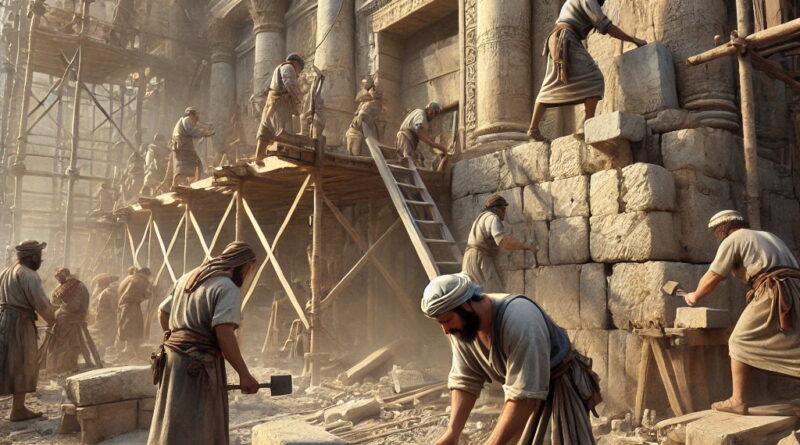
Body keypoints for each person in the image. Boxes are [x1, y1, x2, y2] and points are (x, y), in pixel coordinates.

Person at [420, 273, 599, 445]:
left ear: (466, 306)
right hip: (523, 395)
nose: (445, 329)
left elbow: (525, 398)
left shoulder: (521, 319)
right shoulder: (463, 328)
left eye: (447, 320)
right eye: (440, 323)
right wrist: (452, 433)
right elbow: (466, 380)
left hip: (558, 390)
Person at [685, 210, 800, 415]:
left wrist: (695, 295)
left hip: (773, 290)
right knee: (792, 343)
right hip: (795, 291)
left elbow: (714, 275)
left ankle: (737, 400)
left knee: (738, 341)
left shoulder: (734, 238)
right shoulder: (769, 237)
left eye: (716, 232)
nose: (717, 236)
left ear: (722, 228)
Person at [147, 242, 259, 445]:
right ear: (246, 265)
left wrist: (173, 337)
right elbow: (224, 333)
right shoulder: (227, 287)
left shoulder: (187, 278)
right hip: (197, 366)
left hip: (172, 361)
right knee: (197, 424)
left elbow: (163, 312)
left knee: (172, 422)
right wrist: (244, 374)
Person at [527, 0, 646, 141]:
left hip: (559, 37)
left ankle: (533, 128)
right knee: (594, 79)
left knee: (551, 83)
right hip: (566, 38)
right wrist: (633, 39)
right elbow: (605, 25)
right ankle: (587, 125)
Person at [0, 241, 55, 421]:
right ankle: (18, 409)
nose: (41, 260)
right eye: (39, 256)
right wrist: (53, 320)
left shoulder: (6, 272)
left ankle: (18, 409)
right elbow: (41, 304)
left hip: (4, 321)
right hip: (20, 324)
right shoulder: (28, 274)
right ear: (32, 257)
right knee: (24, 363)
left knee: (6, 363)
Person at [462, 194, 537, 293]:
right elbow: (503, 243)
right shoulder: (493, 218)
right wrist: (527, 247)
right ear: (497, 209)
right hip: (481, 259)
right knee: (494, 293)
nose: (504, 213)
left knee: (474, 294)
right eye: (503, 209)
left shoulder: (480, 218)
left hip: (468, 259)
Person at [254, 54, 305, 161]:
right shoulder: (289, 67)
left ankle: (259, 157)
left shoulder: (279, 68)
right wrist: (300, 99)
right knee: (283, 131)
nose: (299, 73)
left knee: (265, 131)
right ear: (296, 63)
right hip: (280, 103)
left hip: (271, 102)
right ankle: (285, 158)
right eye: (300, 70)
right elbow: (290, 83)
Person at [45, 268, 90, 374]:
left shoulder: (73, 285)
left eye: (59, 277)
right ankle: (62, 365)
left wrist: (58, 311)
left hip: (73, 316)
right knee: (56, 327)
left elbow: (73, 306)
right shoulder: (71, 284)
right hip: (72, 315)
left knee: (60, 336)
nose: (58, 280)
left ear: (65, 275)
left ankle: (62, 366)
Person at [170, 107, 215, 188]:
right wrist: (205, 133)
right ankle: (184, 186)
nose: (196, 119)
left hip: (185, 148)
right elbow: (192, 131)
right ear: (191, 115)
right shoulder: (186, 120)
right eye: (195, 116)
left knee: (195, 165)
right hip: (183, 149)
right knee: (183, 168)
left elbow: (195, 129)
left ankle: (192, 184)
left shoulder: (186, 121)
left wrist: (204, 129)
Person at [396, 102, 448, 168]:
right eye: (432, 112)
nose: (433, 115)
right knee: (408, 162)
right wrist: (434, 145)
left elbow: (422, 137)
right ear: (428, 109)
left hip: (410, 141)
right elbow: (419, 131)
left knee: (413, 162)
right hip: (406, 137)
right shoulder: (421, 114)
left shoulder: (425, 120)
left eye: (435, 114)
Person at [116, 267, 151, 355]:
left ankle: (130, 348)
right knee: (131, 326)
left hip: (125, 304)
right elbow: (132, 294)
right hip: (131, 304)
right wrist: (148, 294)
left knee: (126, 325)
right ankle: (129, 349)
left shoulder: (130, 278)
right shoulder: (138, 280)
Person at [345, 76, 383, 156]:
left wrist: (357, 121)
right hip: (359, 129)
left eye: (363, 83)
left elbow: (362, 116)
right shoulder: (364, 103)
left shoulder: (370, 104)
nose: (361, 86)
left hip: (364, 130)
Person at [89, 274, 119, 357]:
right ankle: (98, 355)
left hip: (102, 318)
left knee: (105, 337)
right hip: (107, 318)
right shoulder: (108, 291)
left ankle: (99, 354)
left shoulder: (101, 291)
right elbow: (113, 306)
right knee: (107, 337)